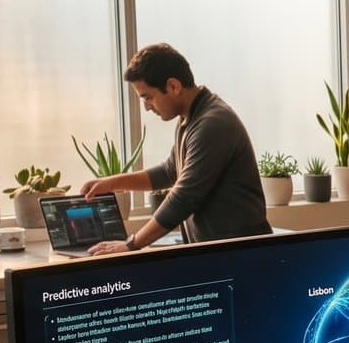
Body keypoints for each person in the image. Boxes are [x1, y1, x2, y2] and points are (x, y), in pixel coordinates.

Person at [83, 44, 271, 254]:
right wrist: (112, 183)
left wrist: (131, 244)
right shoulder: (190, 118)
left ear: (173, 86)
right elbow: (170, 171)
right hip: (220, 255)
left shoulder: (212, 123)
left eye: (148, 97)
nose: (146, 107)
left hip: (243, 256)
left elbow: (184, 196)